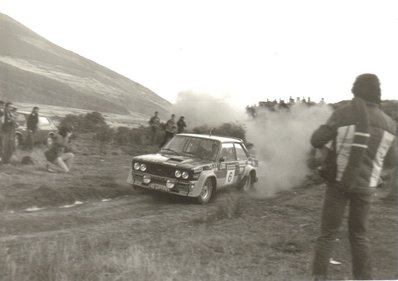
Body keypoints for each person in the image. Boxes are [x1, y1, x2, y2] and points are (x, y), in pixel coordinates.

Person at [310, 73, 396, 281]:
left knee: (328, 234)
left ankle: (319, 277)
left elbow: (316, 139)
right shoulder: (389, 124)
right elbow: (392, 161)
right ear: (378, 94)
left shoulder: (344, 113)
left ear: (355, 91)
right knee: (359, 235)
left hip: (338, 183)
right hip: (367, 185)